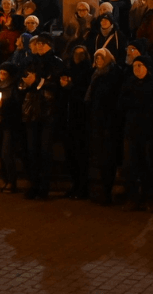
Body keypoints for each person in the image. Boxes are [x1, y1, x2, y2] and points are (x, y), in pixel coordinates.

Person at [118, 55, 153, 211]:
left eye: (140, 65)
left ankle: (149, 198)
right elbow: (122, 104)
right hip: (131, 129)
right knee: (130, 165)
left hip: (149, 131)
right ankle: (132, 197)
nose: (137, 69)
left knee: (148, 166)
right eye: (135, 66)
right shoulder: (129, 83)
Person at [86, 48, 124, 204]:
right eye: (96, 58)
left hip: (109, 123)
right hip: (97, 122)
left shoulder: (114, 75)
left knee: (109, 158)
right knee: (101, 158)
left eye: (101, 58)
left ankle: (108, 191)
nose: (98, 61)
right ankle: (104, 189)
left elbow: (114, 99)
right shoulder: (96, 75)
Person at [18, 64, 56, 199]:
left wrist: (35, 83)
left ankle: (44, 188)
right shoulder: (25, 85)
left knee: (44, 153)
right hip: (30, 120)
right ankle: (34, 185)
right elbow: (20, 92)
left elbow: (50, 96)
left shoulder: (46, 84)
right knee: (32, 153)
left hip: (45, 121)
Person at [62, 46, 93, 199]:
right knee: (71, 155)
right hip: (70, 118)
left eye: (81, 53)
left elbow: (84, 92)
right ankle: (75, 185)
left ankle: (82, 187)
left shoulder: (87, 72)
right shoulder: (69, 69)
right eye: (76, 53)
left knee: (81, 155)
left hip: (81, 118)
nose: (78, 56)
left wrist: (71, 87)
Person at [0, 62, 23, 193]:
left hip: (9, 123)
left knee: (7, 152)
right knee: (0, 153)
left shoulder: (14, 87)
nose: (2, 75)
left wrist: (5, 107)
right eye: (0, 73)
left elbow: (17, 106)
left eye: (5, 73)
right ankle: (4, 180)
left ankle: (11, 181)